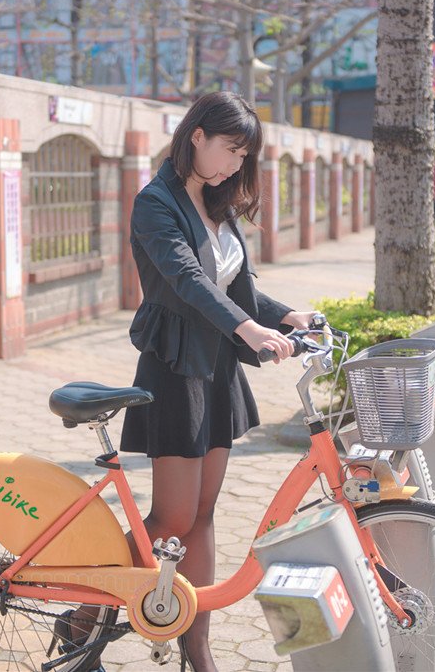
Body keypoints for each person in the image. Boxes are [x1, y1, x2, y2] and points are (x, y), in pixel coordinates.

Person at [56, 92, 316, 672]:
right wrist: (250, 329)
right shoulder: (156, 203)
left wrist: (286, 316)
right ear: (196, 135)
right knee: (171, 520)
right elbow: (189, 280)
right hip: (175, 370)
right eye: (229, 150)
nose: (233, 165)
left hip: (217, 370)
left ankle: (196, 648)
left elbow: (234, 285)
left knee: (202, 516)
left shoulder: (217, 203)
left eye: (243, 156)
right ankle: (81, 617)